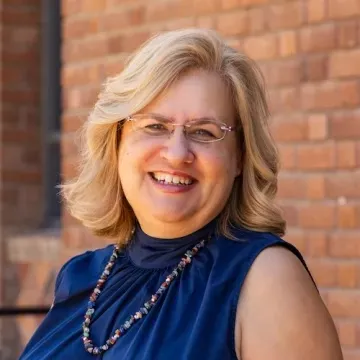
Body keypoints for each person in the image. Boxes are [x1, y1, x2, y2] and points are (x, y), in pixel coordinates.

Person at [20, 28, 343, 360]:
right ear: (116, 142)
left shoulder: (266, 279)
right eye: (155, 126)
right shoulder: (80, 276)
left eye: (204, 132)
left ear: (240, 158)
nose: (176, 153)